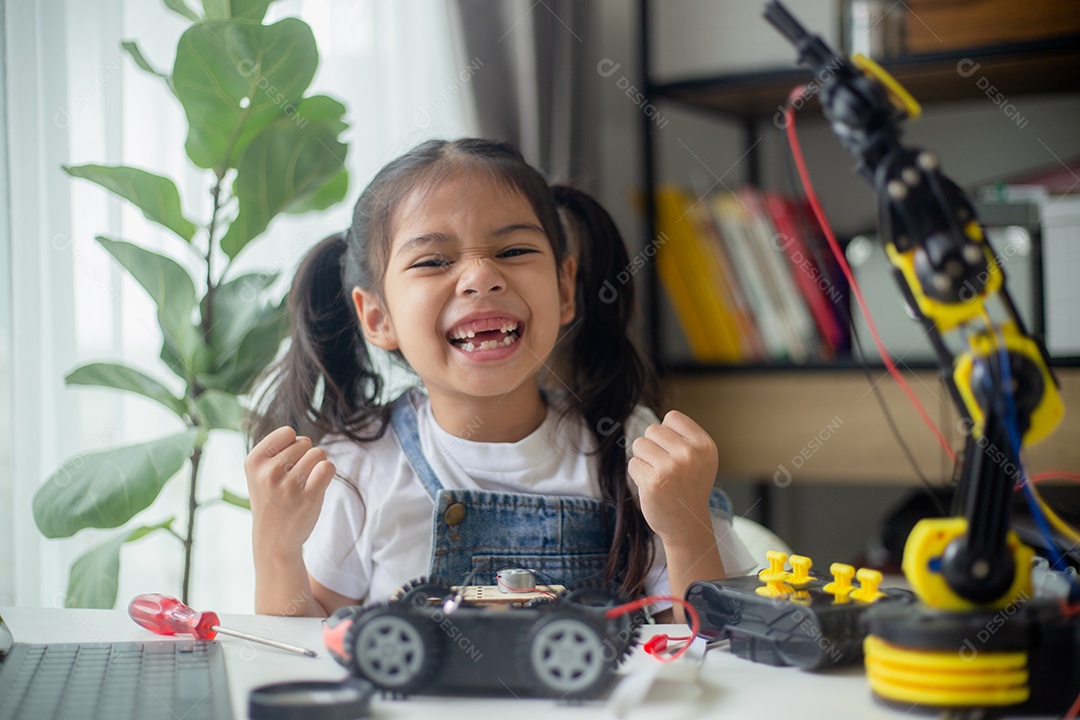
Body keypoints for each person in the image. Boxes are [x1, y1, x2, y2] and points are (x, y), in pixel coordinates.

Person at [245, 138, 754, 619]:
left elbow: (707, 644)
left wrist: (688, 529)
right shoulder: (357, 467)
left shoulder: (633, 446)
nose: (480, 277)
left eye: (513, 251)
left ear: (564, 287)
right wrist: (275, 551)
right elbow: (307, 649)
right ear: (378, 317)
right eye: (433, 261)